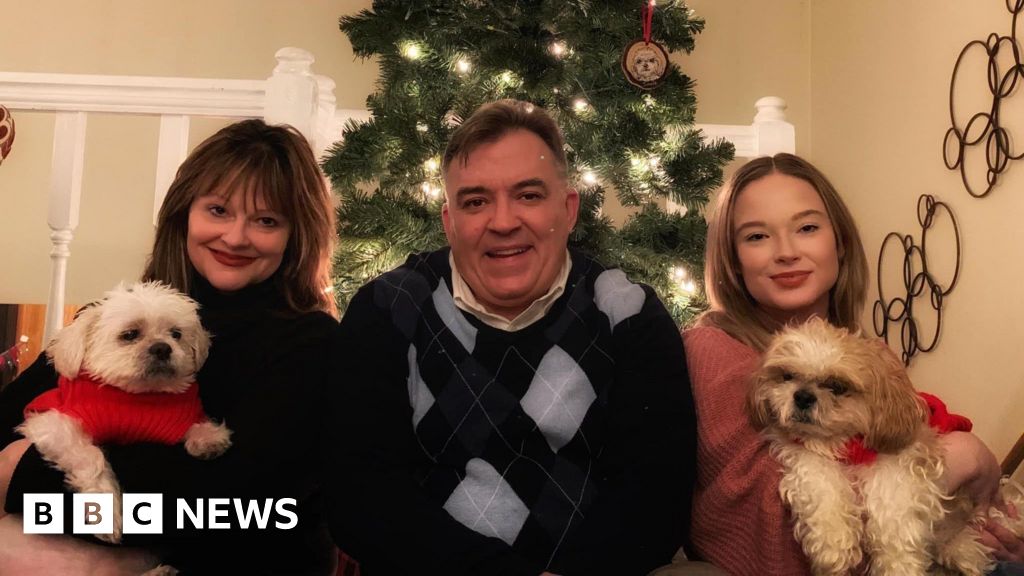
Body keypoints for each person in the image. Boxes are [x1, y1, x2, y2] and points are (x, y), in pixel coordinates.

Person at [323, 99, 700, 576]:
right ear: (449, 222)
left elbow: (654, 496)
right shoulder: (388, 309)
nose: (503, 222)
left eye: (528, 195)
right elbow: (362, 495)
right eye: (475, 202)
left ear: (568, 210)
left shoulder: (628, 313)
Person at [0, 118, 339, 574]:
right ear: (185, 213)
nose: (235, 237)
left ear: (296, 234)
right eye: (218, 210)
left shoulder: (311, 344)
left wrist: (21, 479)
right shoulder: (108, 317)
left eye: (266, 220)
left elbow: (244, 511)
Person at [682, 152, 1024, 575]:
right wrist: (965, 456)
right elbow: (771, 544)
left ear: (840, 241)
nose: (786, 252)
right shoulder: (713, 350)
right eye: (756, 236)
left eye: (807, 228)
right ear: (733, 260)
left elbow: (899, 444)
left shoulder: (871, 353)